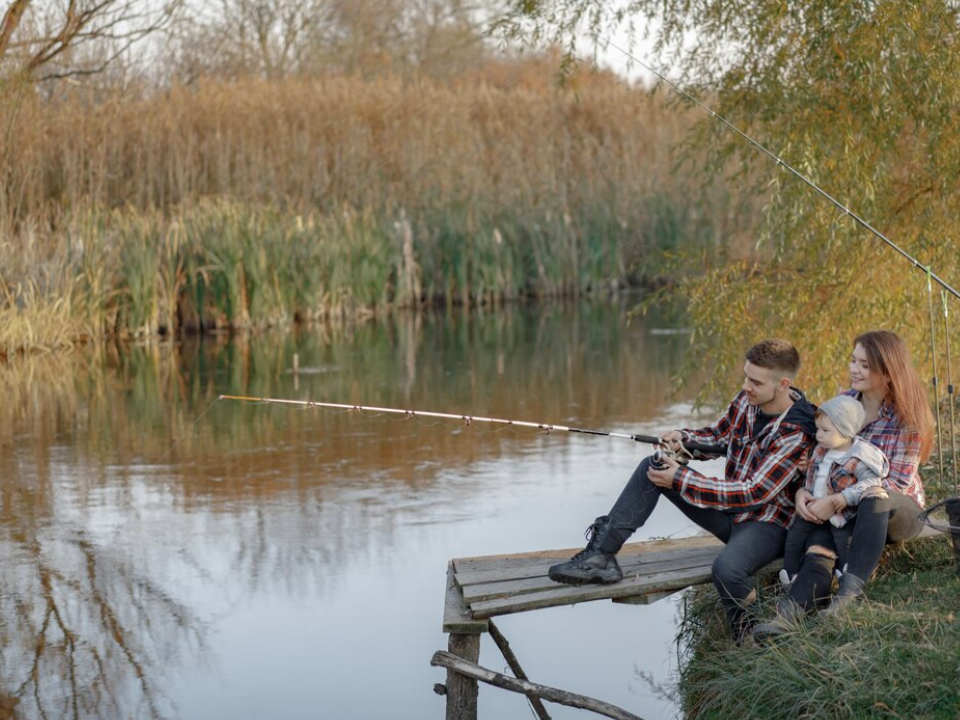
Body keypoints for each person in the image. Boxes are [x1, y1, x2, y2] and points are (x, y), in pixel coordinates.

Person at [547, 339, 817, 641]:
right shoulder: (749, 401)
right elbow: (720, 437)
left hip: (768, 524)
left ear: (783, 384)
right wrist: (683, 440)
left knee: (726, 570)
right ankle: (600, 558)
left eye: (755, 381)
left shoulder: (797, 430)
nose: (745, 386)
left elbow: (754, 492)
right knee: (656, 464)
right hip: (730, 512)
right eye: (745, 376)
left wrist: (681, 480)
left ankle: (749, 635)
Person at [755, 330, 934, 636]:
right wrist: (804, 492)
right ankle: (786, 617)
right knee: (819, 551)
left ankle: (849, 595)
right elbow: (818, 456)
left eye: (864, 365)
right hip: (842, 511)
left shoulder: (909, 418)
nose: (854, 369)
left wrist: (837, 501)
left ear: (888, 372)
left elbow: (896, 484)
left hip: (895, 512)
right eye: (853, 361)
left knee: (874, 495)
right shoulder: (843, 404)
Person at [753, 395, 889, 640]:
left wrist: (841, 499)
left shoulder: (858, 456)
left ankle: (844, 591)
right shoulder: (821, 449)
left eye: (825, 430)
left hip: (841, 515)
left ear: (845, 431)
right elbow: (815, 474)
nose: (818, 435)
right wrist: (803, 485)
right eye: (819, 429)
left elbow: (872, 484)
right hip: (816, 512)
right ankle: (789, 595)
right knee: (797, 540)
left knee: (840, 544)